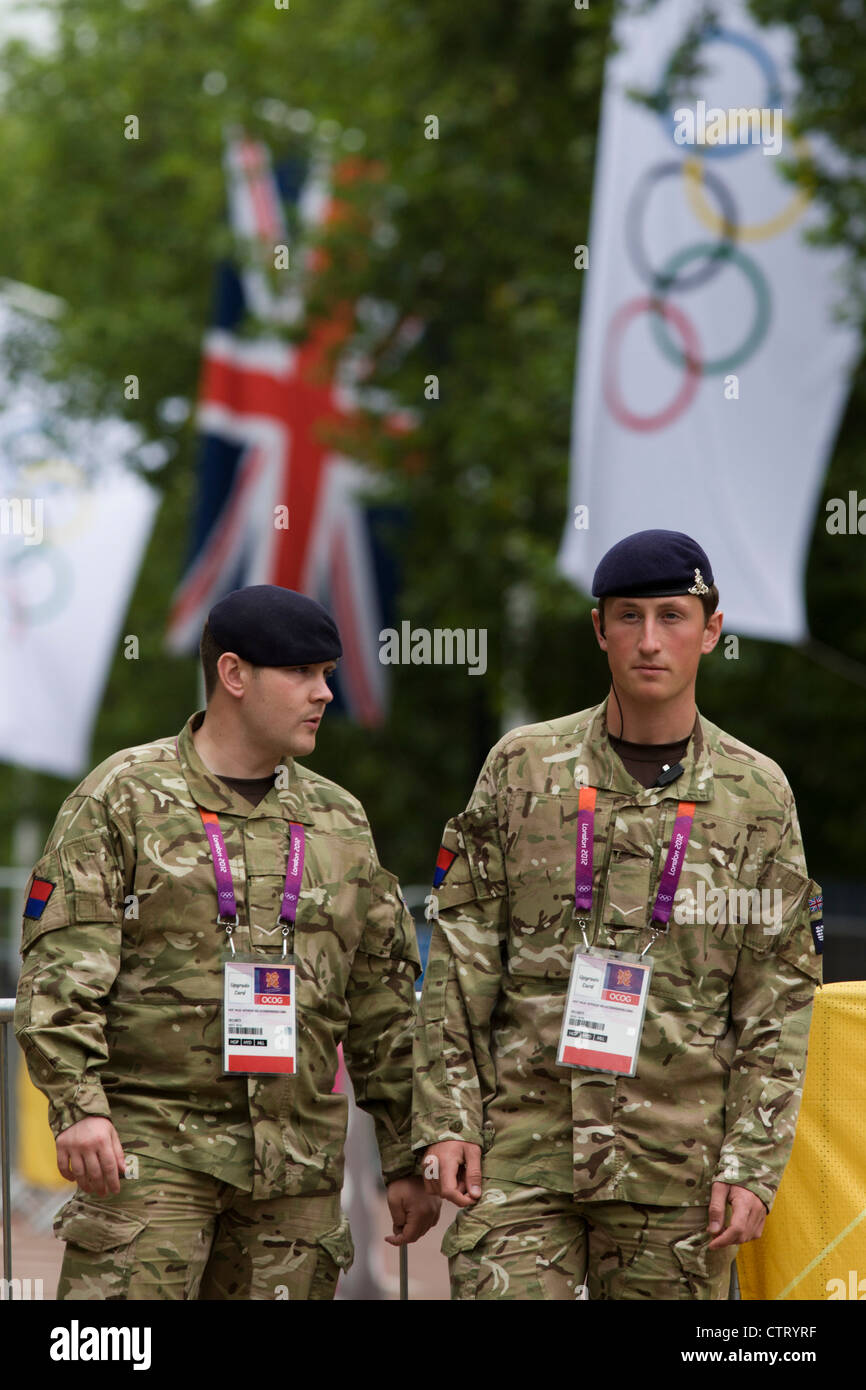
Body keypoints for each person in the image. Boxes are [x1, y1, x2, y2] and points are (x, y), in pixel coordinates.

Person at [413, 530, 823, 1300]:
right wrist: (447, 1120)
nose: (649, 640)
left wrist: (752, 1165)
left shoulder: (757, 796)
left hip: (677, 1168)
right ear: (599, 630)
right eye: (627, 617)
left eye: (673, 616)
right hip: (522, 1149)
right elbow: (461, 965)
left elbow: (777, 997)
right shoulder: (522, 768)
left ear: (711, 630)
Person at [15, 584, 438, 1300]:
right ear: (234, 675)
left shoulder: (338, 821)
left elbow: (383, 1005)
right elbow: (60, 975)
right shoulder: (121, 798)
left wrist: (403, 1154)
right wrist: (79, 1107)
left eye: (329, 673)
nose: (324, 693)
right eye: (303, 672)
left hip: (295, 1173)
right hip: (151, 1157)